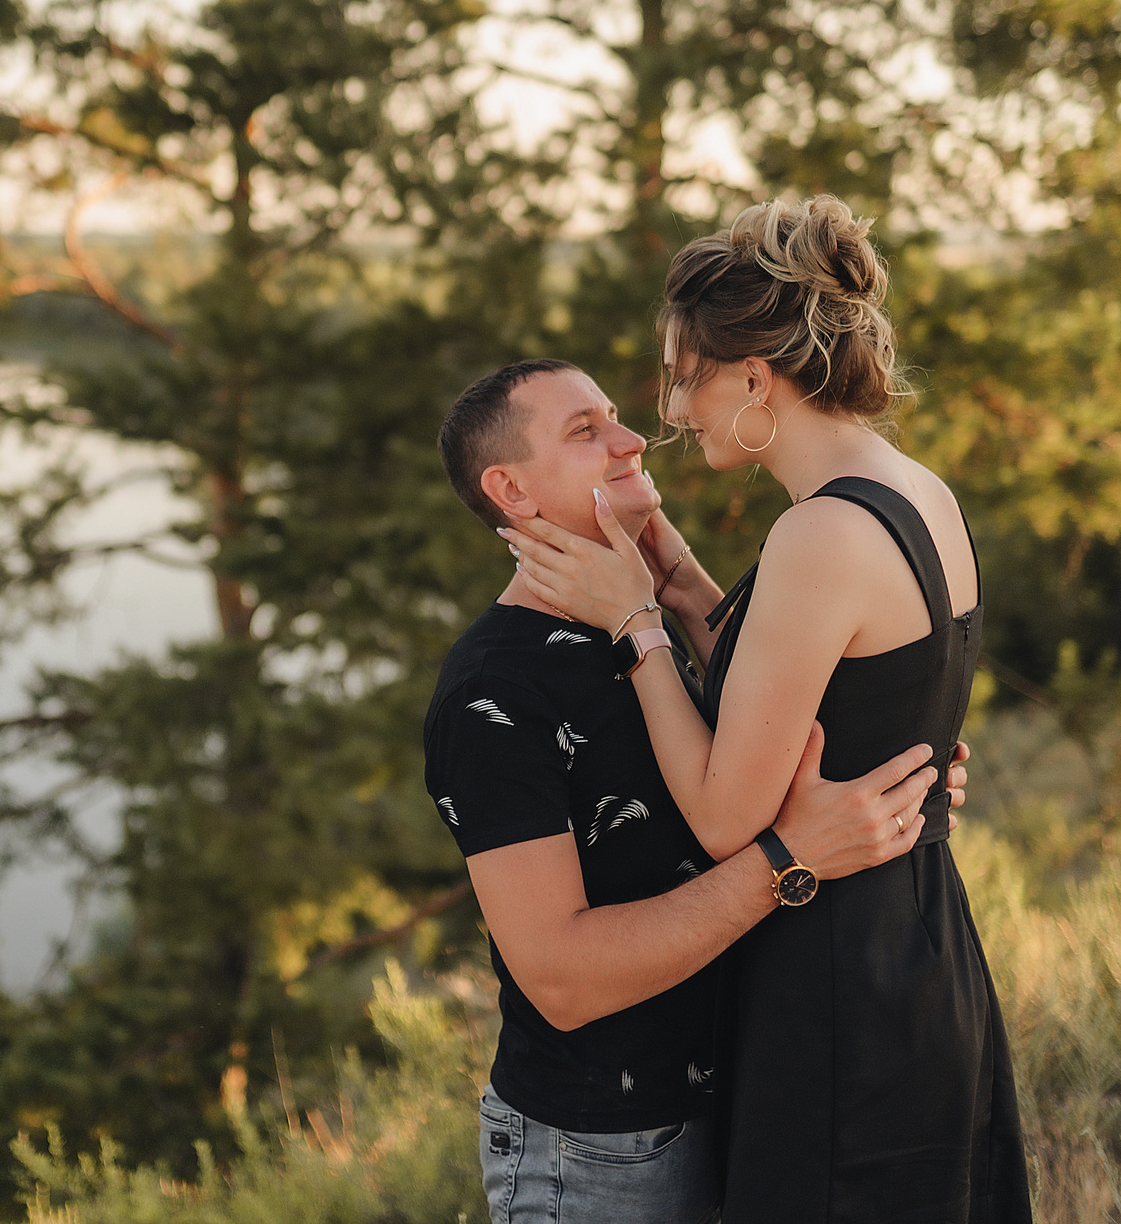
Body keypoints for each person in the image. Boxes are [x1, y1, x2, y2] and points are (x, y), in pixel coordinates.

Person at [502, 199, 1031, 1224]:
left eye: (683, 376)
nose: (671, 411)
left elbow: (720, 813)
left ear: (753, 376)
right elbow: (812, 688)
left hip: (834, 983)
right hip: (920, 939)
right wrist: (675, 575)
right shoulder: (912, 491)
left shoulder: (818, 537)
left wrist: (634, 627)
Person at [428, 357, 973, 1224]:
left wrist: (890, 747)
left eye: (614, 414)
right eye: (585, 431)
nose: (633, 436)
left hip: (749, 1098)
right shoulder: (493, 693)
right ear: (511, 490)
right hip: (604, 1151)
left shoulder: (632, 625)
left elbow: (760, 735)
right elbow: (561, 978)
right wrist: (792, 860)